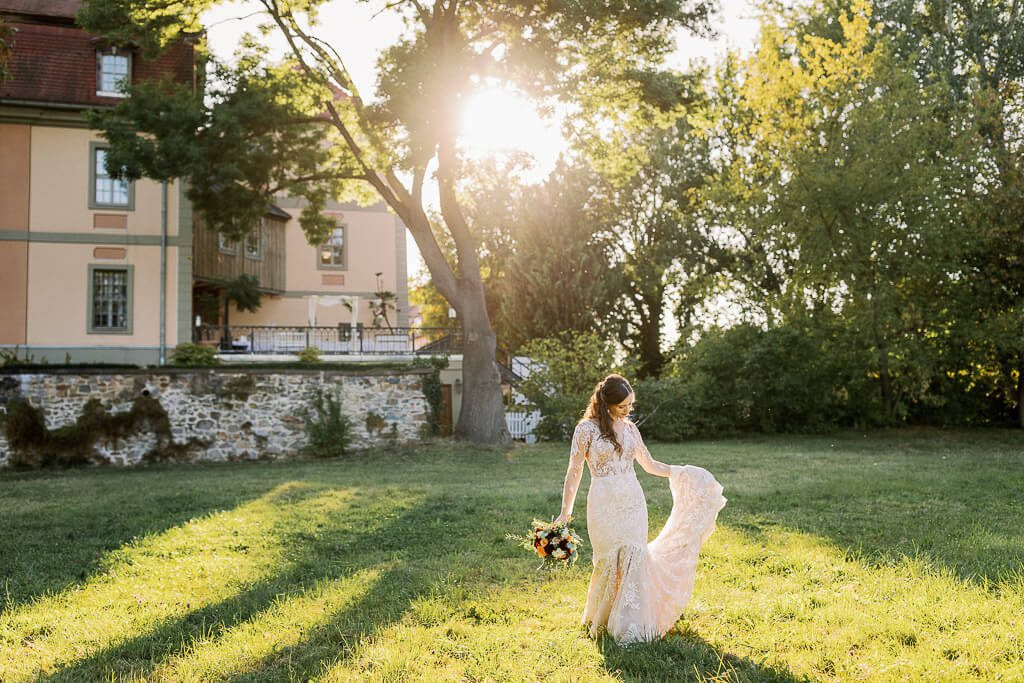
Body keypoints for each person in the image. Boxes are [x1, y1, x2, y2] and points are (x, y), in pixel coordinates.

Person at [555, 373, 727, 644]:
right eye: (622, 406)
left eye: (630, 405)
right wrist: (566, 511)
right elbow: (574, 471)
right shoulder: (586, 429)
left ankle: (630, 623)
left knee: (635, 557)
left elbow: (649, 464)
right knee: (608, 561)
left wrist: (682, 473)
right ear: (606, 402)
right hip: (603, 503)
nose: (627, 411)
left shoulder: (631, 429)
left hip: (633, 502)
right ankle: (601, 618)